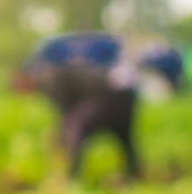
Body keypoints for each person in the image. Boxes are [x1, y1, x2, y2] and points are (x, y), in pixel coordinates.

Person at [16, 32, 142, 181]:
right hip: (125, 94)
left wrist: (59, 134)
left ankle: (71, 178)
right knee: (122, 133)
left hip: (106, 93)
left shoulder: (47, 79)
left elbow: (66, 111)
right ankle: (134, 174)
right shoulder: (53, 71)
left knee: (76, 127)